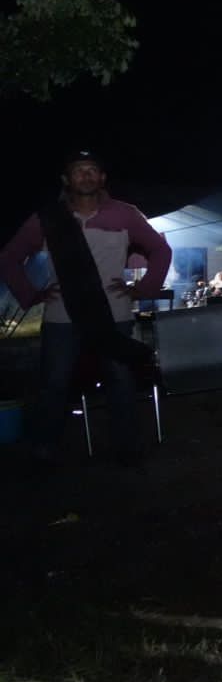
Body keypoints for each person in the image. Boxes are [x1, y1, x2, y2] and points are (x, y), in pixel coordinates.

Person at [0, 151, 172, 468]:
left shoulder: (125, 214)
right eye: (79, 171)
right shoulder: (48, 218)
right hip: (62, 317)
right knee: (54, 382)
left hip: (114, 315)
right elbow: (9, 258)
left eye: (92, 170)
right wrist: (31, 294)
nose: (87, 176)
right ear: (67, 179)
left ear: (102, 178)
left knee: (120, 379)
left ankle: (127, 448)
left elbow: (160, 249)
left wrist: (144, 289)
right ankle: (43, 450)